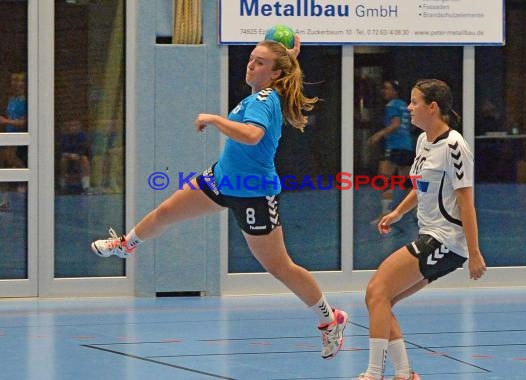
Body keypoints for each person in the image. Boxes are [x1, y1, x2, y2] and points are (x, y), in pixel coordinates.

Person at [90, 36, 348, 359]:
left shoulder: (264, 100)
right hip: (222, 178)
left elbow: (253, 136)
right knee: (166, 212)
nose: (250, 64)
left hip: (254, 193)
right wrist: (291, 56)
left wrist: (214, 119)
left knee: (281, 267)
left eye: (259, 62)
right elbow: (279, 80)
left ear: (275, 75)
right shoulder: (266, 93)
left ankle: (330, 319)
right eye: (251, 58)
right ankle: (126, 244)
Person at [357, 79, 487, 380]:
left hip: (446, 241)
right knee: (381, 299)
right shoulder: (422, 142)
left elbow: (467, 203)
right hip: (429, 236)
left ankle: (374, 373)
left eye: (414, 102)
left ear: (433, 107)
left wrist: (475, 253)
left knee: (376, 291)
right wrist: (398, 212)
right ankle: (404, 374)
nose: (409, 108)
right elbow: (421, 186)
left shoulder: (455, 146)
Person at [367, 80, 415, 223]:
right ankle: (411, 212)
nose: (384, 91)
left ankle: (385, 214)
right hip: (407, 146)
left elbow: (395, 124)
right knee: (407, 182)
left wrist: (378, 135)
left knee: (383, 178)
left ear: (395, 91)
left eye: (387, 88)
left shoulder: (392, 105)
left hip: (394, 147)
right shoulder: (404, 105)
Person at [0, 72, 27, 211]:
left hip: (19, 135)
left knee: (10, 159)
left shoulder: (25, 101)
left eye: (20, 81)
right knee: (4, 163)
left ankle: (25, 180)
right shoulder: (11, 99)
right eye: (14, 80)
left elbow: (23, 122)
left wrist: (6, 121)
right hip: (9, 134)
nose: (17, 83)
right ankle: (4, 199)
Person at [57, 119, 91, 193]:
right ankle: (62, 186)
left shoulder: (83, 136)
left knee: (85, 159)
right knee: (63, 160)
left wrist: (78, 155)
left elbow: (85, 148)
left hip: (79, 156)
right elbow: (61, 149)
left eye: (75, 125)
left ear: (79, 127)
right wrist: (69, 155)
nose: (73, 127)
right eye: (71, 125)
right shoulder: (64, 136)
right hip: (67, 157)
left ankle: (86, 187)